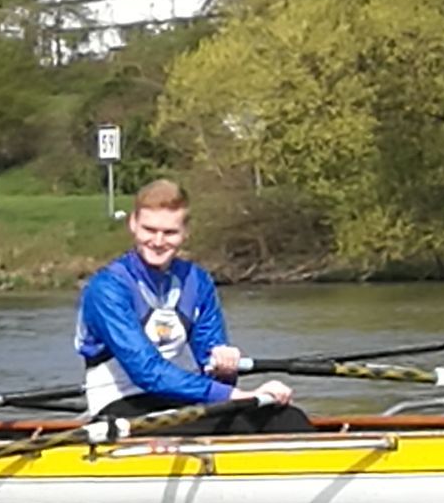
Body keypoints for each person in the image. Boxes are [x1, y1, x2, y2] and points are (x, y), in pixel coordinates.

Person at [75, 179, 313, 435]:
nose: (157, 241)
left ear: (185, 232)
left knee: (286, 418)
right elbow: (148, 372)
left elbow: (211, 369)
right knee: (255, 422)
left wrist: (224, 370)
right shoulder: (108, 289)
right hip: (119, 408)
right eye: (149, 230)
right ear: (133, 224)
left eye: (169, 233)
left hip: (174, 399)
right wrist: (239, 394)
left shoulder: (196, 282)